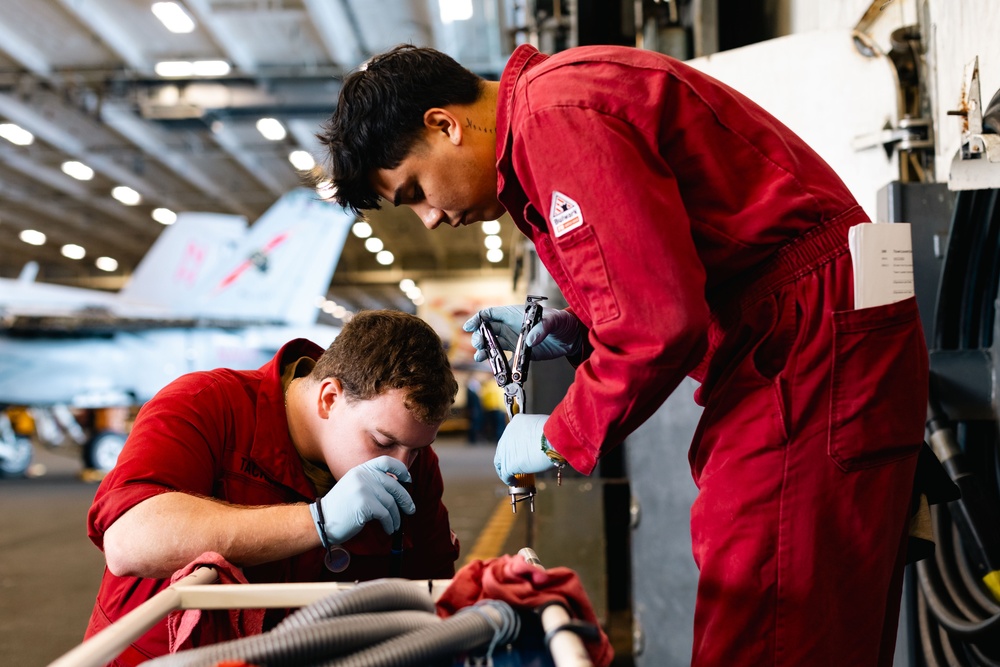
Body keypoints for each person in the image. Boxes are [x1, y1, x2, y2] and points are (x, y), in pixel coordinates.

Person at [319, 44, 930, 666]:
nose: (429, 219)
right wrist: (579, 328)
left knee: (768, 616)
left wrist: (560, 432)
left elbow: (659, 324)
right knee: (812, 622)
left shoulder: (553, 118)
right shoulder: (556, 108)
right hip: (800, 334)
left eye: (416, 190)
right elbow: (665, 275)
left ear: (443, 124)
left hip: (801, 346)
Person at [84, 309, 460, 665]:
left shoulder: (412, 460)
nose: (399, 465)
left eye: (416, 450)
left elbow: (437, 594)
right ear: (329, 398)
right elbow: (129, 542)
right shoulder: (205, 404)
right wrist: (318, 521)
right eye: (381, 441)